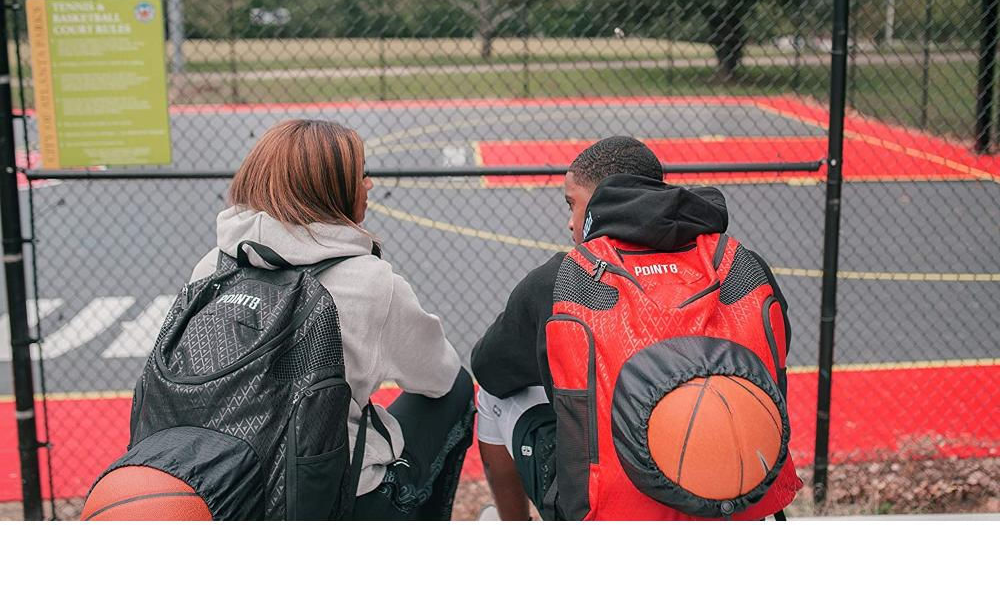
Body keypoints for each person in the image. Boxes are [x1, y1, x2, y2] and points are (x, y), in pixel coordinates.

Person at [471, 135, 800, 520]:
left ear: (597, 203)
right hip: (739, 501)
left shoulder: (563, 281)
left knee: (490, 396)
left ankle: (514, 525)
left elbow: (489, 368)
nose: (570, 222)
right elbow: (777, 350)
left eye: (572, 204)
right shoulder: (741, 264)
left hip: (611, 514)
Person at [187, 118, 474, 520]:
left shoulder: (212, 267)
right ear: (331, 190)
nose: (369, 185)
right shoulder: (370, 282)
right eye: (360, 175)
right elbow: (438, 375)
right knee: (458, 386)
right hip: (334, 498)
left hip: (227, 486)